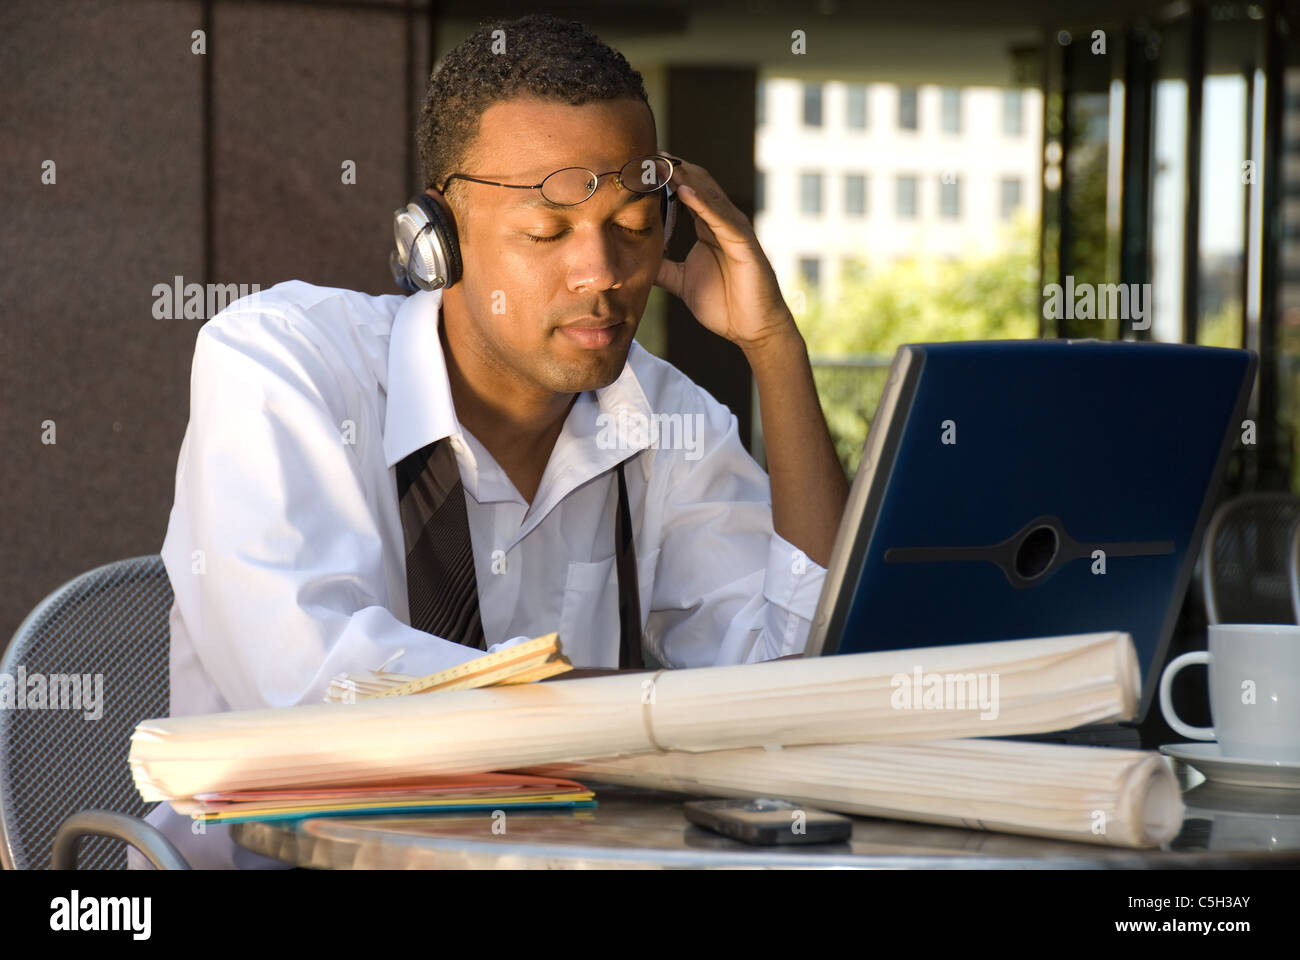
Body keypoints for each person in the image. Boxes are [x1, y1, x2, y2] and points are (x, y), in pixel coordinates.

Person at [128, 14, 848, 870]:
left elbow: (803, 676)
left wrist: (775, 347)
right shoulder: (284, 362)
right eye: (548, 233)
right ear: (434, 242)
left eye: (633, 224)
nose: (603, 273)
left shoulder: (661, 414)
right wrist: (650, 713)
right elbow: (315, 689)